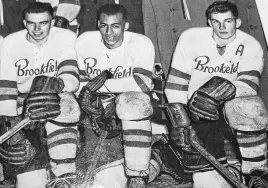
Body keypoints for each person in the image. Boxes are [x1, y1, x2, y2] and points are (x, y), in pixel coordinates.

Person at [75, 4, 183, 188]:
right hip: (96, 111)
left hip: (132, 106)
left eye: (115, 26)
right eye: (103, 26)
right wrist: (94, 98)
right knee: (95, 179)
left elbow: (140, 85)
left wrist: (96, 87)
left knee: (131, 102)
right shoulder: (85, 41)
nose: (109, 32)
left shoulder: (140, 43)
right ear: (97, 24)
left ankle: (140, 173)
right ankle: (158, 157)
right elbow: (79, 87)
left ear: (125, 25)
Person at [165, 1, 268, 188]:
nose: (222, 27)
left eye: (227, 21)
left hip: (229, 106)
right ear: (209, 22)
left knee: (250, 106)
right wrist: (180, 120)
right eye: (216, 21)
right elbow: (175, 84)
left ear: (237, 22)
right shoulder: (190, 38)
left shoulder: (251, 45)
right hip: (196, 109)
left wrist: (219, 92)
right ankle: (167, 154)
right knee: (207, 181)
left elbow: (249, 84)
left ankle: (256, 172)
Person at [0, 2, 81, 188]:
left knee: (67, 105)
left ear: (52, 22)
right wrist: (9, 125)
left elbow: (71, 75)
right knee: (30, 184)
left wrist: (57, 84)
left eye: (43, 23)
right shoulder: (11, 42)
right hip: (23, 103)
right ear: (24, 22)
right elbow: (6, 88)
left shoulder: (66, 37)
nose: (37, 29)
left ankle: (64, 175)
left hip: (56, 96)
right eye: (31, 23)